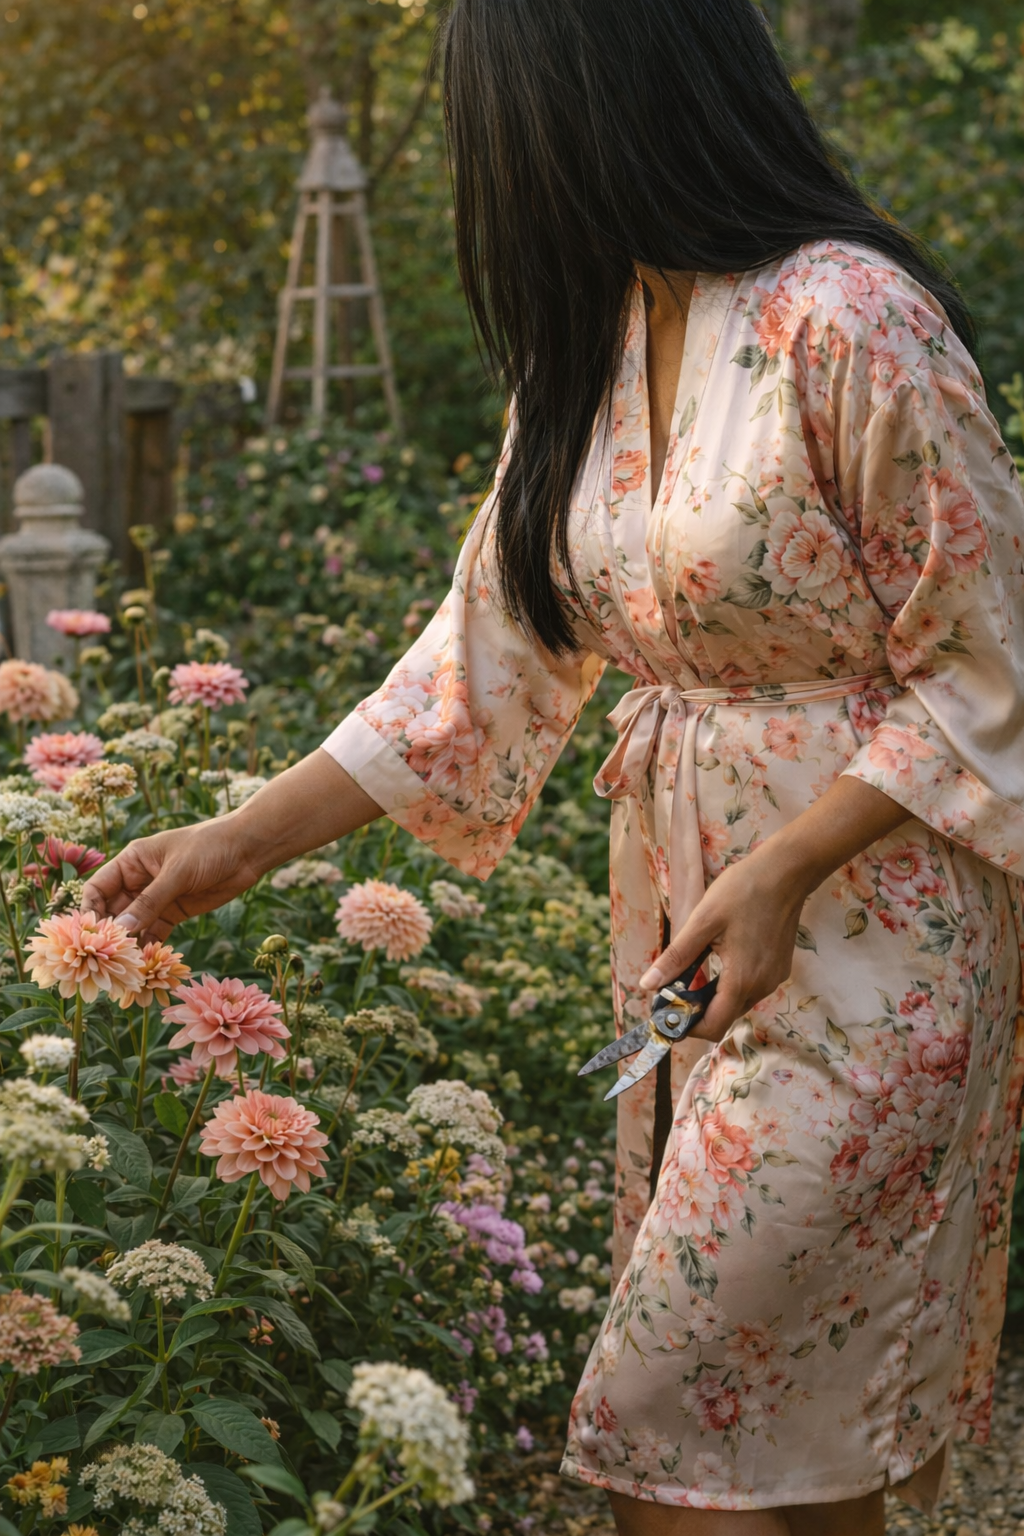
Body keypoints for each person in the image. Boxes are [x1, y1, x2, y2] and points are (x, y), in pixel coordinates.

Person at [84, 1, 1024, 1532]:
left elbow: (994, 654)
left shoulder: (847, 318)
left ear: (601, 102)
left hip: (874, 933)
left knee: (666, 1406)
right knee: (786, 1430)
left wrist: (782, 869)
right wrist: (236, 842)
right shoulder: (585, 355)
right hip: (684, 935)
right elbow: (480, 664)